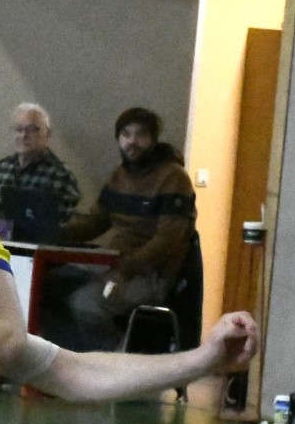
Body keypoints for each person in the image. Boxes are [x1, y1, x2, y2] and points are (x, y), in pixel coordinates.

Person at [49, 107, 197, 350]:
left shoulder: (173, 178)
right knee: (46, 286)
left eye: (141, 134)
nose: (132, 141)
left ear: (153, 139)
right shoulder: (118, 176)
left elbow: (167, 241)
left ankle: (113, 361)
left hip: (151, 275)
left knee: (86, 305)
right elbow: (96, 221)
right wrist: (53, 231)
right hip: (113, 265)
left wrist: (125, 270)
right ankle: (75, 357)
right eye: (126, 134)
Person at [0, 102, 81, 239]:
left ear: (48, 134)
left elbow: (55, 229)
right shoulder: (2, 169)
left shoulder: (60, 176)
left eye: (32, 129)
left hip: (32, 249)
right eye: (18, 129)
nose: (23, 135)